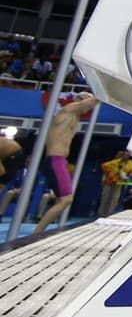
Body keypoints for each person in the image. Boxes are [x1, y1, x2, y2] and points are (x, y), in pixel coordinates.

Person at [34, 92, 98, 232]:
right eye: (88, 106)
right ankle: (37, 233)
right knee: (66, 199)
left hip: (59, 160)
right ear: (81, 100)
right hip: (55, 160)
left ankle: (41, 231)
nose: (89, 110)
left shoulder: (74, 117)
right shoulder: (68, 109)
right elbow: (91, 101)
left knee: (60, 199)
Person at [98, 149, 132, 217]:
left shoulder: (129, 163)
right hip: (109, 182)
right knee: (105, 196)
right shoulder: (115, 162)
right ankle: (100, 213)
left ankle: (110, 213)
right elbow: (104, 166)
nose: (126, 156)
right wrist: (109, 175)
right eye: (125, 155)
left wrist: (130, 174)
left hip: (118, 183)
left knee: (115, 198)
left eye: (128, 155)